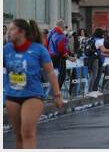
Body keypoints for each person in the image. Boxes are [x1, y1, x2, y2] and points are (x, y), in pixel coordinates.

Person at [4, 19, 63, 149]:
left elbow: (50, 73)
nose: (8, 33)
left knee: (28, 132)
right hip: (12, 96)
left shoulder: (38, 49)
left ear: (22, 32)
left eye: (11, 29)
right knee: (18, 135)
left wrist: (57, 95)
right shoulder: (6, 50)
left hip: (32, 95)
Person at [47, 19, 76, 90]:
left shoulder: (51, 33)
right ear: (62, 26)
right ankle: (57, 94)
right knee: (61, 76)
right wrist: (70, 58)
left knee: (53, 75)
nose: (64, 29)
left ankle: (51, 93)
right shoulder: (60, 35)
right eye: (64, 27)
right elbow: (61, 50)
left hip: (51, 56)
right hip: (59, 58)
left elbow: (47, 44)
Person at [87, 28, 109, 96]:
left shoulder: (91, 39)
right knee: (94, 75)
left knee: (94, 75)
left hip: (92, 58)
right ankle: (90, 91)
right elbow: (103, 50)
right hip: (95, 59)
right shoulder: (99, 41)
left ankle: (94, 90)